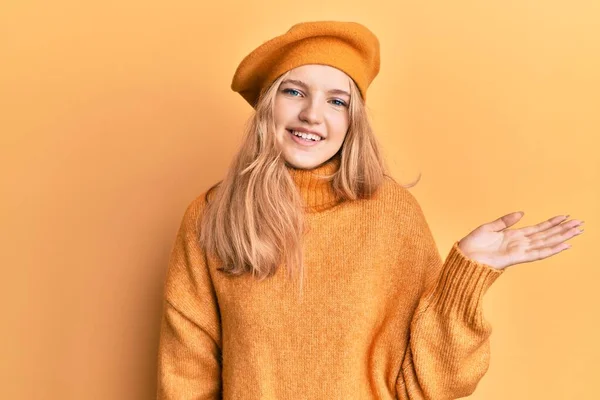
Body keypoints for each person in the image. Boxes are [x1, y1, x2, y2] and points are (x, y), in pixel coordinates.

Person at [156, 21, 584, 400]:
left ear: (352, 121)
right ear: (268, 105)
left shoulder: (391, 213)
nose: (312, 115)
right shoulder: (212, 215)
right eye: (294, 91)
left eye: (336, 101)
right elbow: (186, 374)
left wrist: (467, 273)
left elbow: (432, 384)